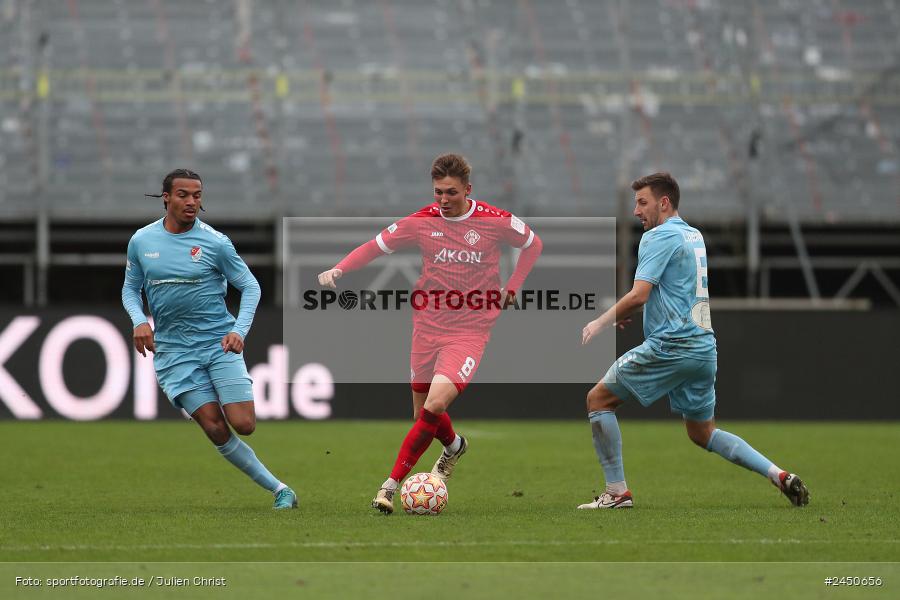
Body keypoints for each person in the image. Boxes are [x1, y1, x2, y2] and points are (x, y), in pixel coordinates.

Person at [318, 153, 543, 514]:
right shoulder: (421, 222)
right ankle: (454, 446)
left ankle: (389, 487)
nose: (443, 199)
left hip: (469, 330)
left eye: (451, 192)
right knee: (422, 414)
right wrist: (340, 269)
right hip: (426, 327)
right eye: (438, 192)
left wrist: (513, 286)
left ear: (468, 190)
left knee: (435, 405)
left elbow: (533, 244)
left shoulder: (493, 220)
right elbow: (375, 246)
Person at [579, 172, 809, 509]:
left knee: (598, 400)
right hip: (703, 348)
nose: (636, 211)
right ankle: (778, 474)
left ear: (664, 203)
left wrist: (600, 322)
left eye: (642, 202)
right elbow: (671, 291)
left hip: (671, 346)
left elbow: (640, 294)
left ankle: (616, 493)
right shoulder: (693, 235)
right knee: (702, 433)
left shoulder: (657, 236)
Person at [122, 168, 297, 509]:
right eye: (183, 195)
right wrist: (139, 320)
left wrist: (238, 331)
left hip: (218, 344)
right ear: (166, 198)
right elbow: (130, 289)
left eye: (197, 195)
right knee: (215, 428)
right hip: (173, 352)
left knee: (244, 424)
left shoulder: (215, 243)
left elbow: (251, 286)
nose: (191, 201)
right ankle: (281, 490)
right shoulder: (142, 241)